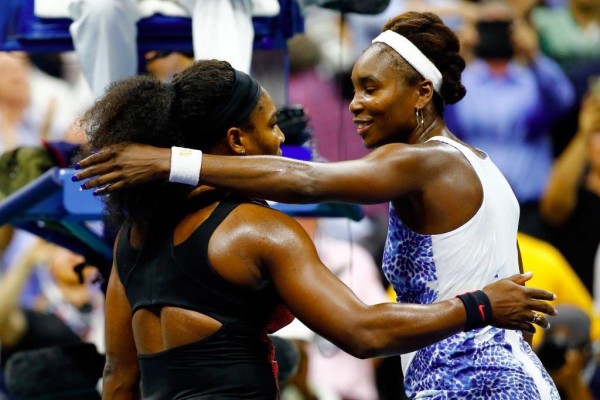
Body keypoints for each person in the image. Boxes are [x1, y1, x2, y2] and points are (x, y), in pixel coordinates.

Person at [74, 12, 561, 398]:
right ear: (237, 139)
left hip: (482, 384)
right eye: (354, 89)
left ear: (422, 92)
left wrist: (170, 162)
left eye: (371, 88)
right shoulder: (465, 163)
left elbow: (306, 180)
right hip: (473, 379)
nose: (353, 104)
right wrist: (486, 316)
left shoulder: (427, 163)